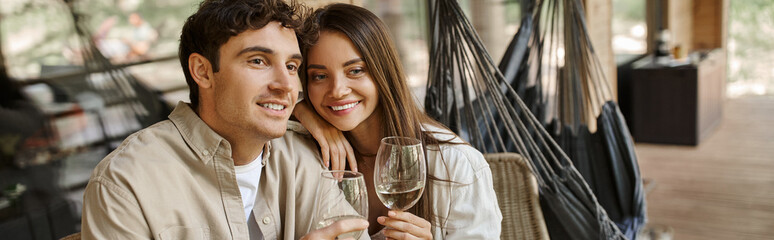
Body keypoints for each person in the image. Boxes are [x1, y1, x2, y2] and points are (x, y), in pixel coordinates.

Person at [80, 0, 368, 239]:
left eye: (292, 66)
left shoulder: (300, 157)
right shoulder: (127, 184)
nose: (286, 85)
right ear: (203, 71)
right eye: (258, 61)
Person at [293, 3, 502, 239]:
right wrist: (300, 109)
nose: (338, 90)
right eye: (319, 76)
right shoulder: (304, 151)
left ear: (383, 71)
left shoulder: (455, 165)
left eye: (355, 70)